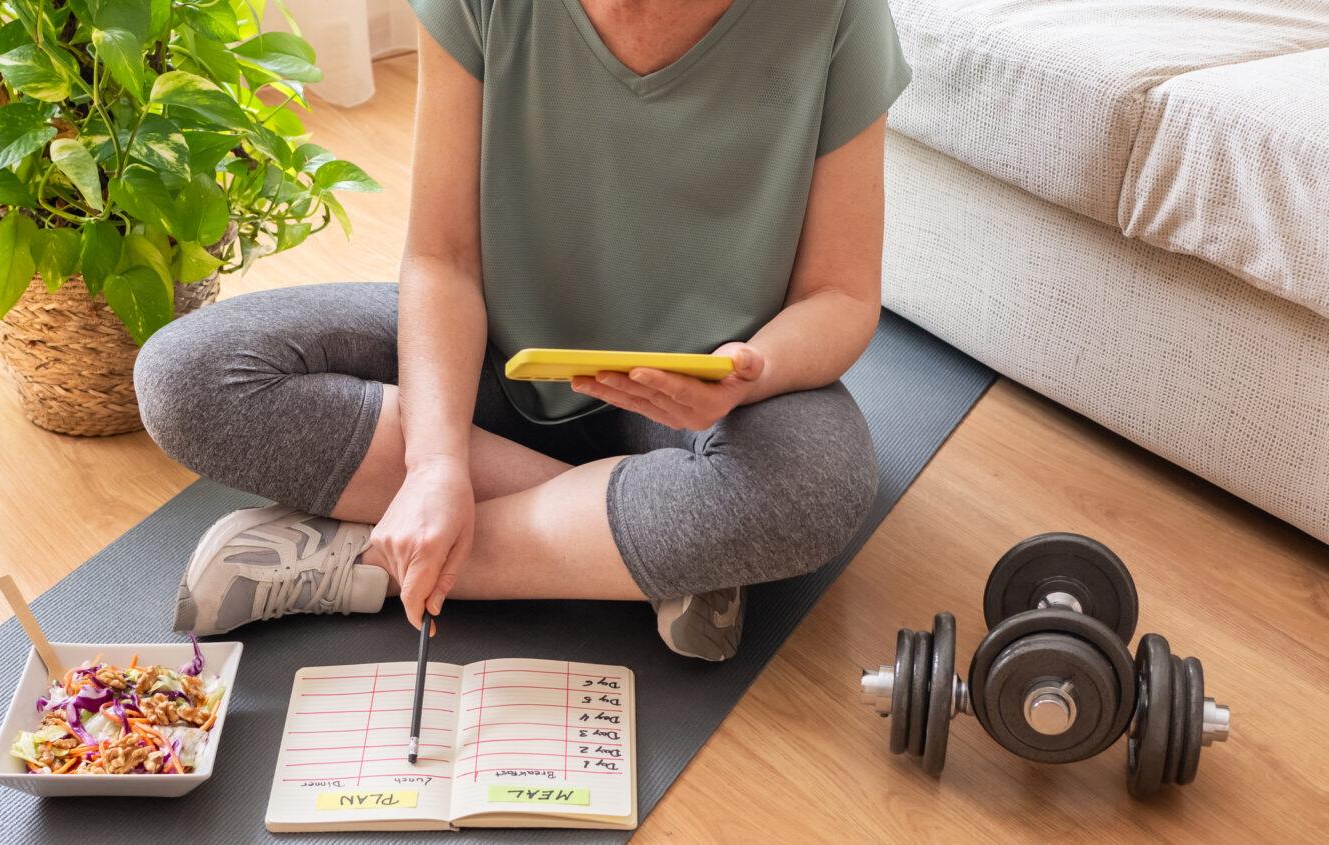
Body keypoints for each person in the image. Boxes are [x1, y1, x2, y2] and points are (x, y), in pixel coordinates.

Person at [134, 0, 910, 661]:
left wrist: (754, 369)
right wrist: (435, 464)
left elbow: (840, 295)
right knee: (188, 377)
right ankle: (642, 551)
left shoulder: (835, 15)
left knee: (816, 488)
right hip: (496, 364)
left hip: (703, 413)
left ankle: (363, 557)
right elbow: (443, 258)